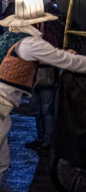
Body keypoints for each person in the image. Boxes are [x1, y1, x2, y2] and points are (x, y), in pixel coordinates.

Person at [0, 0, 86, 191]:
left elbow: (27, 60)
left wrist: (64, 54)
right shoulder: (31, 43)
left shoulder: (5, 39)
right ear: (37, 23)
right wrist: (67, 56)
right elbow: (69, 62)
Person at [25, 15, 63, 151]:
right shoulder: (29, 34)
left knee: (46, 109)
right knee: (37, 109)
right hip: (34, 76)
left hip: (46, 76)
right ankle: (41, 138)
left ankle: (48, 140)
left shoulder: (49, 33)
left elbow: (54, 54)